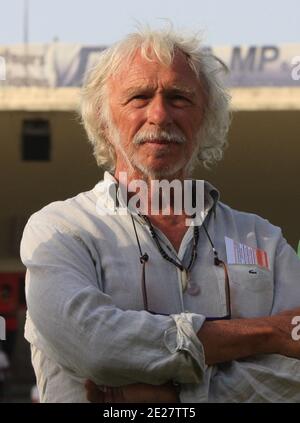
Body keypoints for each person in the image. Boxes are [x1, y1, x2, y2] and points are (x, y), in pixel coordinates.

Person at [20, 25, 300, 403]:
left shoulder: (263, 239)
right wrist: (268, 333)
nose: (159, 114)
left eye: (179, 98)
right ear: (104, 120)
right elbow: (95, 344)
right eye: (138, 97)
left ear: (207, 117)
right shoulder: (61, 230)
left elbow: (294, 367)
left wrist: (171, 400)